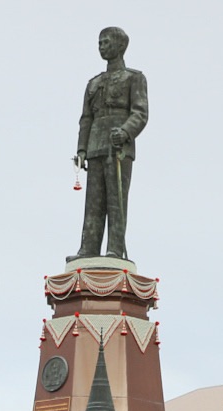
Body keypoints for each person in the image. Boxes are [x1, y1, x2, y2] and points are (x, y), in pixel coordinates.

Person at [70, 26, 148, 261]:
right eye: (99, 42)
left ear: (121, 46)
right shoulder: (93, 83)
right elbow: (86, 119)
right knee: (93, 202)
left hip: (119, 149)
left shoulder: (134, 78)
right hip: (95, 145)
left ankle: (115, 248)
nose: (101, 46)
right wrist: (82, 148)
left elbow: (140, 113)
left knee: (116, 200)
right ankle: (88, 249)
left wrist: (125, 132)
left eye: (106, 42)